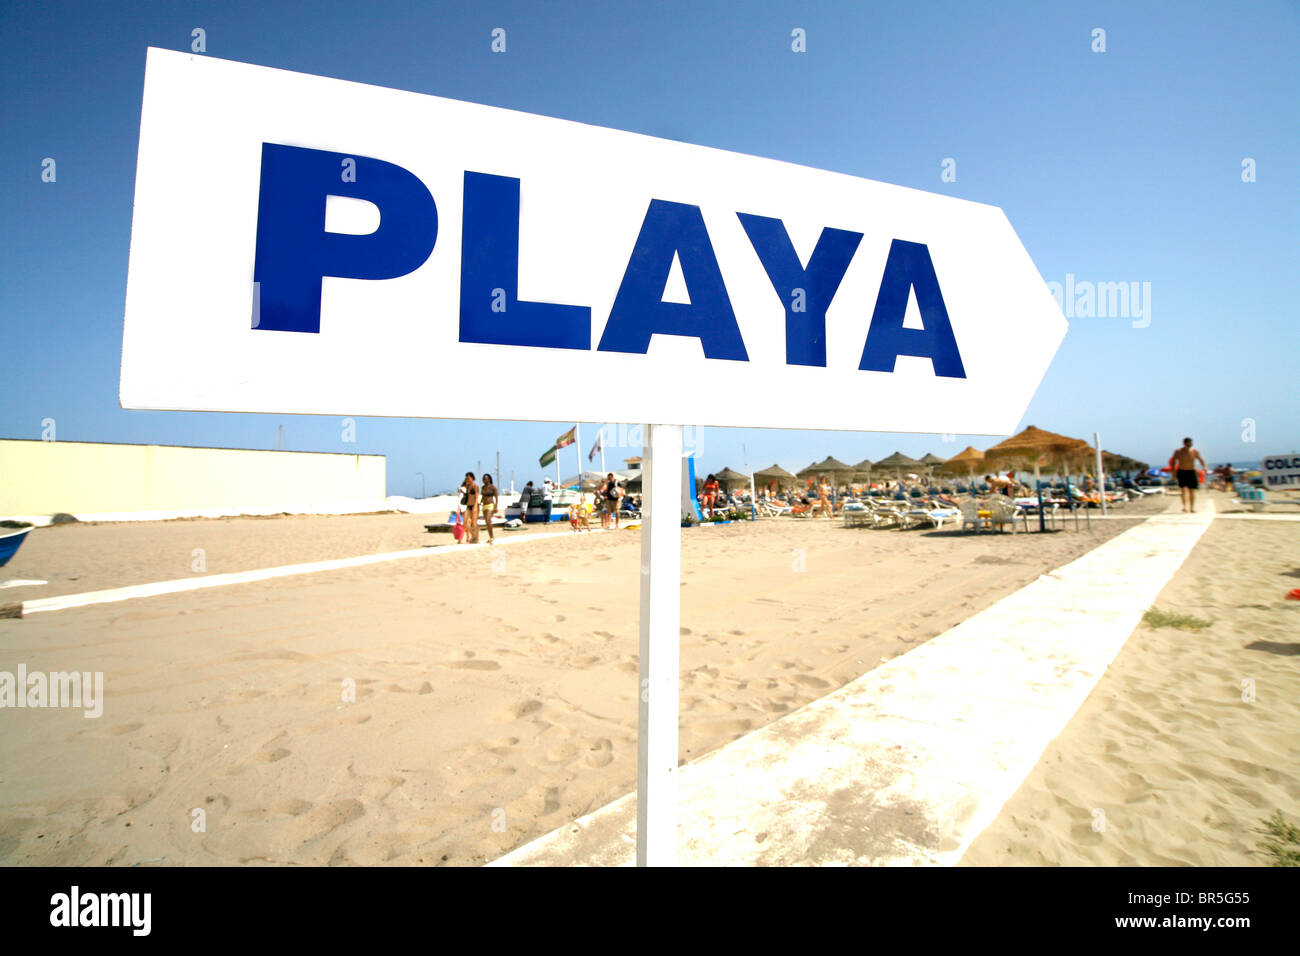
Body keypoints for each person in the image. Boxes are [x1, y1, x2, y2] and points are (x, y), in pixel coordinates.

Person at [1171, 437, 1207, 513]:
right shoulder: (1178, 451)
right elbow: (1174, 462)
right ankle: (1184, 507)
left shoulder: (1195, 451)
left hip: (1191, 471)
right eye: (1189, 443)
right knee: (1183, 490)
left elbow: (1201, 460)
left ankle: (1192, 508)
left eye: (1191, 443)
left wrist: (1204, 467)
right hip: (1182, 471)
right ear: (1184, 443)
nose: (1190, 444)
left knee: (1192, 490)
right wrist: (1173, 473)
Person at [462, 472, 480, 543]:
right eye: (466, 478)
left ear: (472, 478)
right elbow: (468, 496)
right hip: (468, 506)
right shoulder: (468, 486)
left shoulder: (475, 486)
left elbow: (476, 496)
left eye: (468, 478)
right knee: (465, 522)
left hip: (474, 505)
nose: (467, 479)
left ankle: (476, 538)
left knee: (474, 523)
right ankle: (473, 536)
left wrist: (475, 506)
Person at [480, 473, 498, 543]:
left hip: (490, 505)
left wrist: (496, 507)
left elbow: (496, 498)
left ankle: (492, 537)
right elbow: (483, 496)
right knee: (487, 522)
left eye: (486, 478)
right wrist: (480, 503)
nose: (484, 480)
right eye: (483, 478)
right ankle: (490, 536)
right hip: (484, 505)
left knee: (488, 520)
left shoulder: (493, 487)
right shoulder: (483, 488)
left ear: (489, 479)